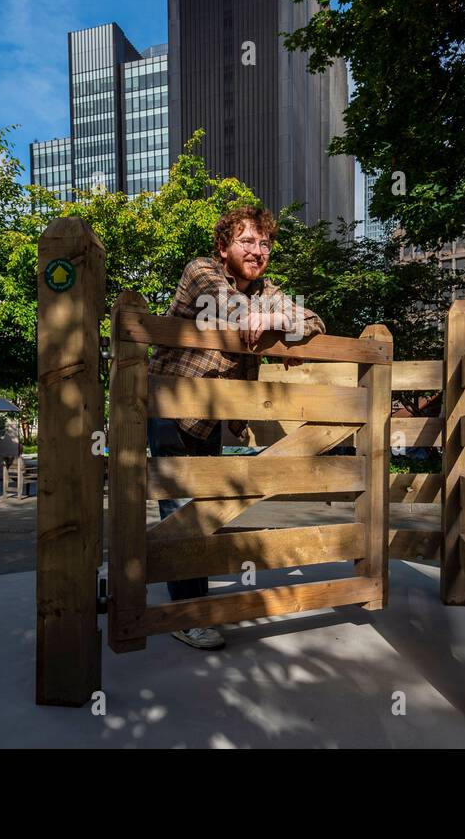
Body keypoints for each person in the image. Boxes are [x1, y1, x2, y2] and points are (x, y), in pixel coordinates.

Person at [147, 205, 324, 650]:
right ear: (223, 246)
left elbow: (315, 323)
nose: (258, 251)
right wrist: (273, 327)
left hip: (209, 417)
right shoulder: (202, 272)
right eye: (247, 241)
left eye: (265, 244)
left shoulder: (266, 291)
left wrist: (277, 323)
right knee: (182, 510)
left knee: (203, 511)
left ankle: (176, 591)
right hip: (170, 405)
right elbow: (228, 309)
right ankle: (188, 614)